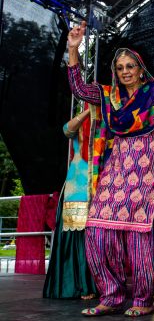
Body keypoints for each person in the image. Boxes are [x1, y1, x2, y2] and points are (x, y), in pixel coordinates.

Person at [66, 21, 154, 317]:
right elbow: (78, 88)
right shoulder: (107, 95)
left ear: (141, 69)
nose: (125, 71)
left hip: (148, 166)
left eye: (130, 66)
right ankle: (112, 295)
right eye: (120, 67)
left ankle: (142, 299)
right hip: (117, 167)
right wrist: (73, 50)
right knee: (97, 231)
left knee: (140, 235)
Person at [43, 107, 98, 299]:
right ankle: (79, 285)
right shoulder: (80, 122)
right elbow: (67, 130)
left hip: (100, 185)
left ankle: (97, 286)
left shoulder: (108, 121)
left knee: (97, 239)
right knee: (77, 237)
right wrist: (87, 112)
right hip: (77, 186)